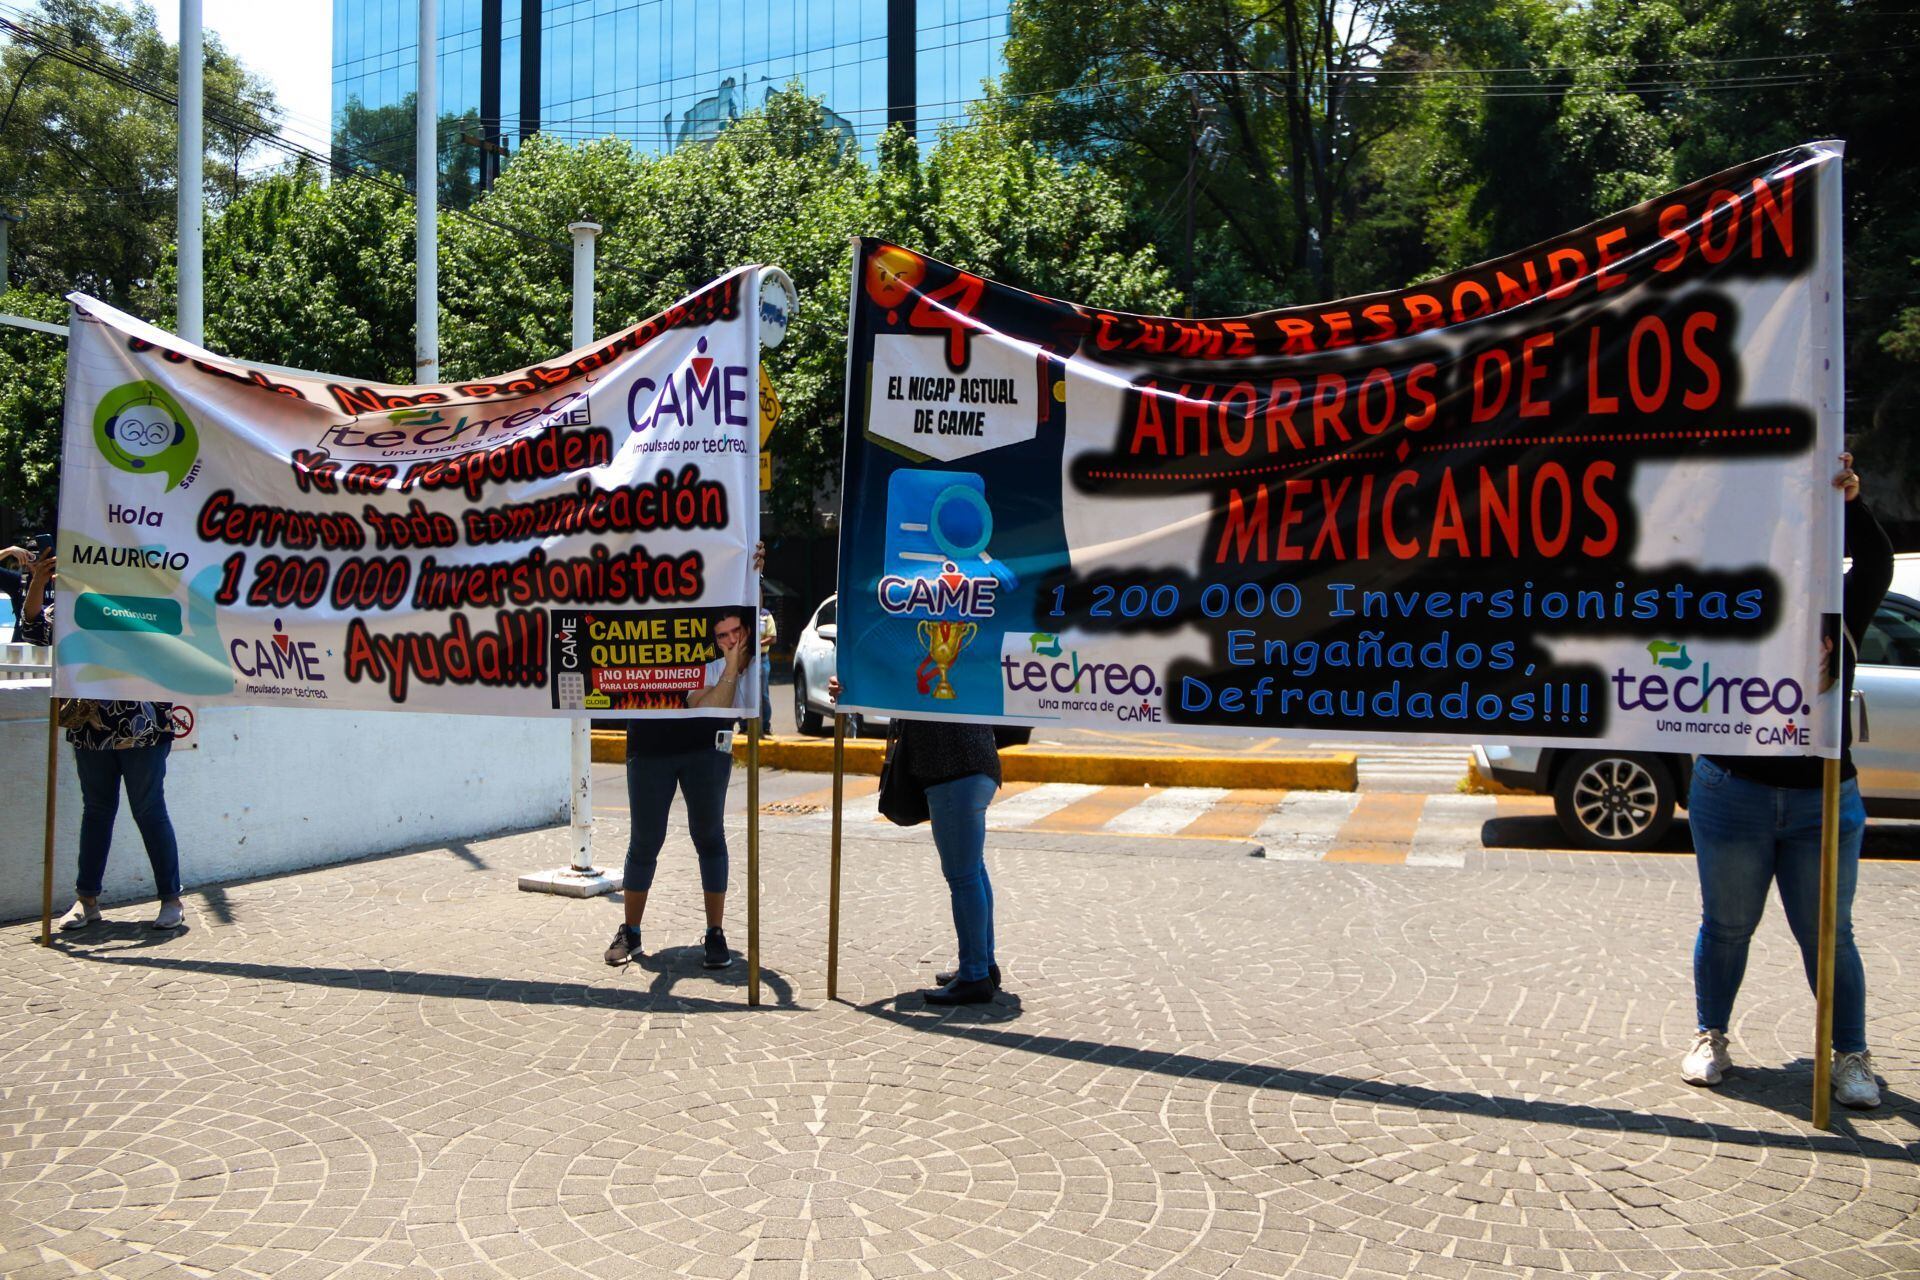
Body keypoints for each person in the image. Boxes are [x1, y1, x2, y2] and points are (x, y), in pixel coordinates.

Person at [1681, 453, 1892, 1109]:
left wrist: (1849, 503)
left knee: (1831, 935)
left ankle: (1849, 1055)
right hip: (1732, 792)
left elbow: (1877, 563)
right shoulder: (1734, 604)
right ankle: (1711, 1036)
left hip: (1823, 800)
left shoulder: (1840, 609)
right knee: (1726, 928)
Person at [605, 547, 764, 971]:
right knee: (645, 841)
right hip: (649, 740)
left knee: (709, 835)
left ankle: (715, 933)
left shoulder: (717, 619)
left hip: (704, 744)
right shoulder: (636, 595)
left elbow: (720, 696)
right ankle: (631, 931)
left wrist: (751, 569)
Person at [16, 552, 185, 932]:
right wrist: (40, 583)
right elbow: (33, 630)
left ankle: (171, 898)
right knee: (96, 812)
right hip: (91, 730)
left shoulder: (145, 600)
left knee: (149, 811)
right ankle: (86, 900)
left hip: (144, 727)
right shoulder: (76, 604)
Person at [830, 676, 1004, 1005]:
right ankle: (982, 963)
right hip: (976, 765)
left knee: (963, 876)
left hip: (954, 770)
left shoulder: (925, 657)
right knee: (973, 871)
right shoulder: (956, 651)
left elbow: (897, 688)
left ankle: (975, 975)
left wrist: (854, 687)